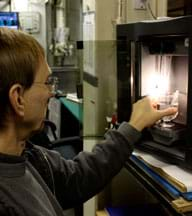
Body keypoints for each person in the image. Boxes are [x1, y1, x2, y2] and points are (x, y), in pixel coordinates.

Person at [0, 28, 177, 216]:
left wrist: (132, 127)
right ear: (18, 98)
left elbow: (78, 178)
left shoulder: (30, 157)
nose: (51, 92)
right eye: (46, 82)